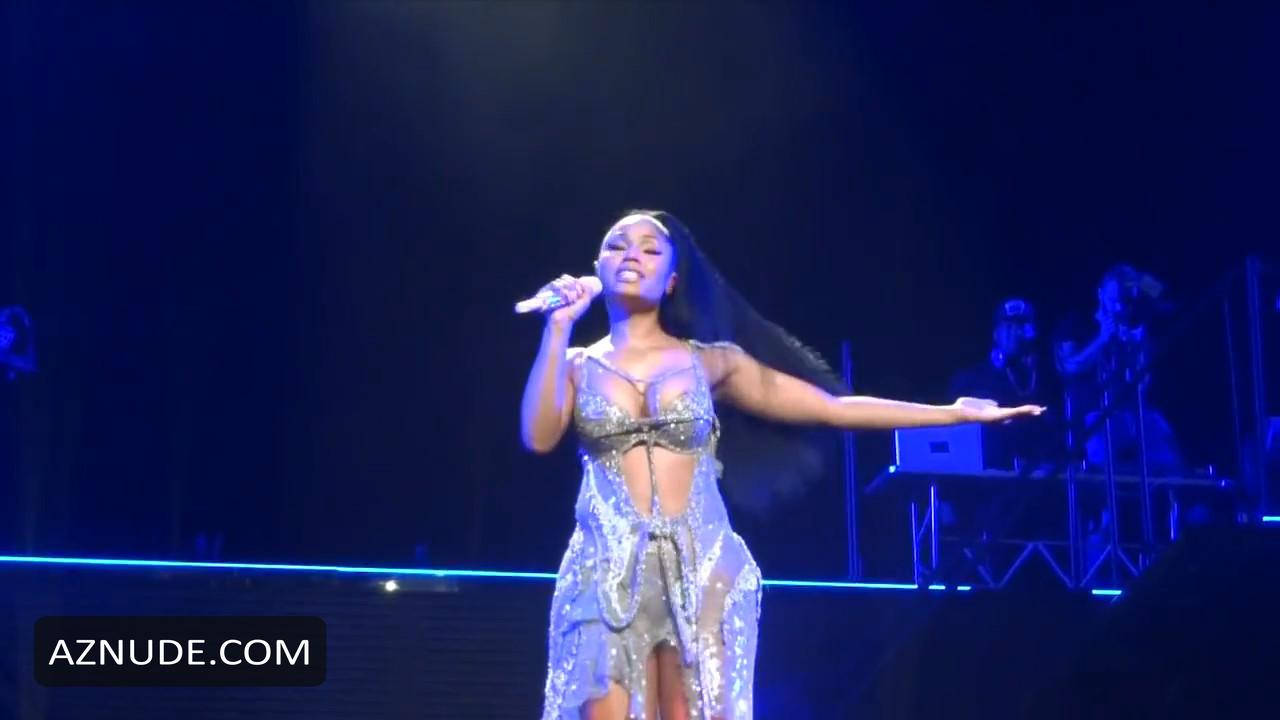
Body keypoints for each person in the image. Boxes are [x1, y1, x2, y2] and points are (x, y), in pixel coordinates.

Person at [521, 210, 1043, 720]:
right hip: (605, 570)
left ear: (672, 279)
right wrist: (558, 327)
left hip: (700, 568)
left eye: (650, 248)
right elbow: (539, 437)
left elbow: (833, 409)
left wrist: (953, 414)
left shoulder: (712, 362)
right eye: (617, 245)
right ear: (597, 267)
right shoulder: (575, 365)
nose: (632, 254)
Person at [949, 298, 1060, 471]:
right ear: (996, 333)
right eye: (1008, 326)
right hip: (992, 471)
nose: (1015, 333)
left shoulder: (1045, 376)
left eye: (1021, 327)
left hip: (1037, 470)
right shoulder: (972, 378)